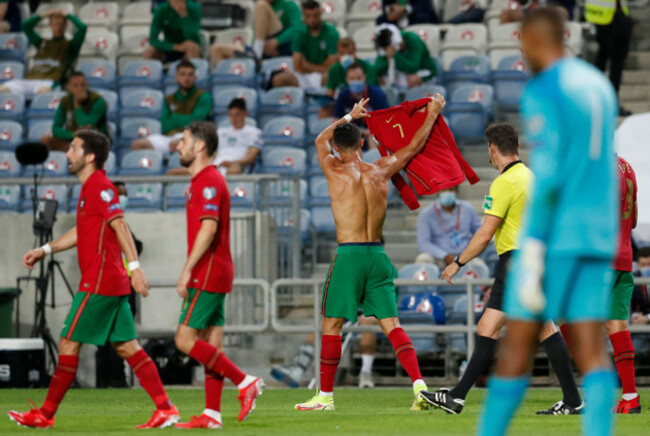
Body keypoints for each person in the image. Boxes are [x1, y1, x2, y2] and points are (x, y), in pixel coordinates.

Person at [475, 8, 619, 436]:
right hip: (598, 232)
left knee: (517, 345)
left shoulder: (545, 90)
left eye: (525, 44)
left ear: (539, 41)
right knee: (592, 348)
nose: (524, 54)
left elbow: (553, 173)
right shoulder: (598, 86)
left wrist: (535, 246)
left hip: (558, 235)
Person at [9, 131, 179, 429]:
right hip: (111, 281)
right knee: (127, 347)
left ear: (89, 156)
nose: (67, 153)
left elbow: (120, 224)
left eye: (73, 148)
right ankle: (166, 408)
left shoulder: (100, 187)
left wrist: (136, 266)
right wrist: (45, 249)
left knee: (68, 341)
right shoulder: (89, 190)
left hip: (100, 280)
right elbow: (82, 232)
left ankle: (45, 415)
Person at [419, 123, 583, 416]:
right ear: (516, 147)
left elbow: (484, 234)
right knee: (512, 328)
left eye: (489, 151)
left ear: (493, 149)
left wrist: (457, 263)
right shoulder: (530, 177)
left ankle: (457, 397)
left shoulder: (504, 182)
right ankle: (457, 397)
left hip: (517, 261)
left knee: (526, 328)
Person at [294, 95, 445, 411]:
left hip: (349, 254)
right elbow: (414, 147)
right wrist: (431, 113)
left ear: (338, 147)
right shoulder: (381, 170)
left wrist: (349, 116)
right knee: (392, 325)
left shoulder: (333, 168)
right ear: (362, 145)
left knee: (331, 326)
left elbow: (320, 139)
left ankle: (325, 397)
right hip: (378, 255)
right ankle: (419, 388)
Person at [172, 121, 263, 429]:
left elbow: (209, 228)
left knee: (185, 339)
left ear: (200, 146)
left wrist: (187, 270)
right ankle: (212, 414)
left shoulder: (208, 181)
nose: (178, 146)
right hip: (218, 269)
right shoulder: (203, 180)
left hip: (208, 269)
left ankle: (244, 381)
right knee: (212, 344)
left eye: (183, 140)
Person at [95, 181, 143, 388]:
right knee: (109, 338)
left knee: (120, 336)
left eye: (125, 194)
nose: (123, 198)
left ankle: (114, 378)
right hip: (111, 285)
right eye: (120, 194)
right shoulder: (108, 221)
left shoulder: (120, 221)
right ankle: (111, 379)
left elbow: (135, 245)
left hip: (124, 285)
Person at [131, 60, 212, 156]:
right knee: (137, 145)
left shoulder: (204, 96)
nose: (186, 78)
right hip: (168, 137)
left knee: (179, 144)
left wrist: (173, 118)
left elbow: (196, 122)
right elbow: (165, 125)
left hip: (192, 136)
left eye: (190, 75)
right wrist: (186, 119)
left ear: (195, 77)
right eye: (183, 74)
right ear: (176, 77)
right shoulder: (169, 99)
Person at [0, 9, 86, 97]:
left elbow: (83, 28)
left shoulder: (71, 46)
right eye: (55, 24)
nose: (58, 27)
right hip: (29, 80)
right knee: (2, 89)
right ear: (50, 25)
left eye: (61, 24)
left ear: (65, 25)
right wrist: (45, 14)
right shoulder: (42, 43)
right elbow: (25, 26)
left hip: (50, 82)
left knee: (42, 95)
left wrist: (68, 15)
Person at [209, 0, 300, 67]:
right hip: (262, 47)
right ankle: (228, 84)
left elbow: (298, 29)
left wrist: (277, 42)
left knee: (261, 5)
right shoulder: (259, 9)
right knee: (216, 49)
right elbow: (257, 36)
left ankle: (256, 54)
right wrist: (261, 47)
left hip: (281, 47)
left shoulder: (289, 4)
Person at [415, 186, 482, 268]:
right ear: (437, 192)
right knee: (423, 259)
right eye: (444, 189)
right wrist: (444, 256)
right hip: (438, 258)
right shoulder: (426, 213)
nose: (447, 193)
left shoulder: (468, 208)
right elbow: (423, 243)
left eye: (451, 189)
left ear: (456, 191)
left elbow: (480, 232)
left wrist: (469, 251)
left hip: (464, 256)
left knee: (479, 265)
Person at [585, 0, 632, 116]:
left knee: (609, 58)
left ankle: (605, 101)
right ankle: (603, 101)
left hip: (613, 13)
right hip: (605, 14)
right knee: (609, 58)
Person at [41, 71, 108, 152]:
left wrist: (77, 104)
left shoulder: (98, 101)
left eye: (82, 85)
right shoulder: (65, 101)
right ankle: (73, 152)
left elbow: (84, 126)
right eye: (75, 86)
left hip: (94, 141)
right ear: (69, 87)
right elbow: (55, 129)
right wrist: (72, 134)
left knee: (83, 144)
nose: (80, 88)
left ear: (86, 85)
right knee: (45, 140)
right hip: (72, 139)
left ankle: (74, 153)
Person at [292, 0, 339, 89]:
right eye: (308, 16)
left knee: (329, 77)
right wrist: (321, 67)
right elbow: (297, 66)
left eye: (315, 16)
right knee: (280, 79)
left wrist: (307, 65)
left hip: (324, 76)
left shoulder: (331, 33)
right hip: (304, 76)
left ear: (320, 14)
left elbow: (331, 66)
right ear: (304, 16)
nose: (312, 20)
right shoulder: (300, 33)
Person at [374, 24, 437, 89]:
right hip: (403, 71)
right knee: (379, 78)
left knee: (412, 79)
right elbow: (377, 69)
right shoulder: (385, 43)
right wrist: (387, 58)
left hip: (424, 71)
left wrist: (395, 55)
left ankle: (413, 97)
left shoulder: (413, 40)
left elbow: (413, 67)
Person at [214, 98, 262, 175]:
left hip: (237, 166)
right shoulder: (221, 132)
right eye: (231, 115)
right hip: (218, 164)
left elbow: (251, 158)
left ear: (245, 114)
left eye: (237, 114)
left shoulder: (254, 132)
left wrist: (230, 163)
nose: (234, 119)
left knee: (233, 170)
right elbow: (212, 153)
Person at [333, 63, 388, 129]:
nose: (355, 81)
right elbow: (336, 121)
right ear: (347, 80)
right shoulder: (342, 95)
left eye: (358, 78)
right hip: (349, 134)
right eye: (352, 79)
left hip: (372, 133)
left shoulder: (377, 94)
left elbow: (384, 121)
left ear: (364, 77)